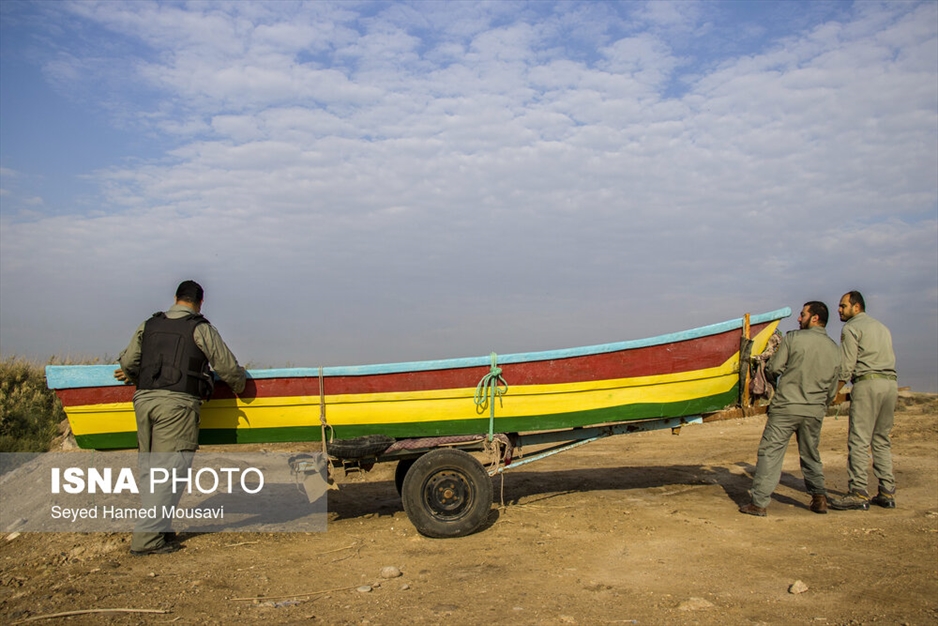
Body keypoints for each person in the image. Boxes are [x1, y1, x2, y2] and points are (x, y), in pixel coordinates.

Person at [115, 280, 246, 555]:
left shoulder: (149, 324)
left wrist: (133, 375)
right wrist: (241, 386)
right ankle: (147, 540)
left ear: (175, 298)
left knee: (151, 470)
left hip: (143, 401)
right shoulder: (200, 328)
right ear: (201, 302)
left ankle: (160, 530)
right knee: (170, 470)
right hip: (176, 405)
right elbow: (227, 367)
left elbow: (128, 363)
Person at [739, 301, 841, 517]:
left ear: (814, 318)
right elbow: (833, 388)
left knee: (770, 453)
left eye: (802, 314)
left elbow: (774, 368)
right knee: (811, 454)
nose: (798, 318)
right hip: (814, 411)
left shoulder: (793, 338)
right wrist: (820, 404)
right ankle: (819, 498)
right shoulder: (834, 348)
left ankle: (759, 503)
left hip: (786, 407)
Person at [829, 291, 898, 511]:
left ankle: (858, 492)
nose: (839, 310)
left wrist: (833, 392)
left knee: (859, 440)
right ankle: (887, 492)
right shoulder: (882, 327)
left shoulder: (851, 328)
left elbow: (847, 366)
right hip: (890, 384)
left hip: (867, 384)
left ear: (856, 307)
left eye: (843, 306)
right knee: (881, 439)